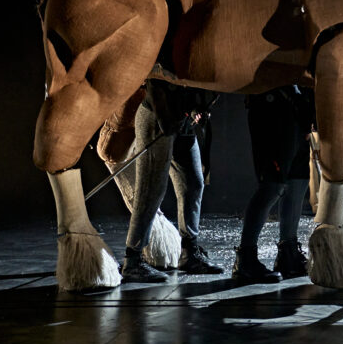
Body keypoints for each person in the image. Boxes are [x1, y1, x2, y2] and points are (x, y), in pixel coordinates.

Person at [121, 80, 224, 283]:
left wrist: (197, 109)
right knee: (151, 189)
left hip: (183, 121)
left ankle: (189, 253)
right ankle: (132, 260)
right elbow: (155, 83)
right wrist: (165, 117)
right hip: (157, 116)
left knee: (193, 184)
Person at [232, 85, 314, 284]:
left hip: (298, 106)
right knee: (273, 184)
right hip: (272, 102)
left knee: (299, 180)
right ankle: (246, 258)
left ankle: (289, 253)